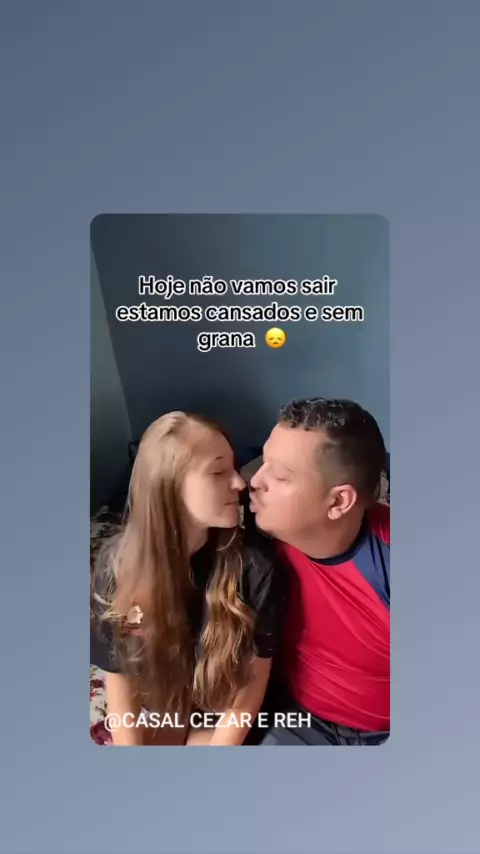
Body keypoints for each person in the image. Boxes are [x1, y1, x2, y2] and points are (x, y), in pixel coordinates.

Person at [90, 412, 283, 746]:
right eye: (218, 472)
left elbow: (251, 684)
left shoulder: (254, 568)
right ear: (170, 486)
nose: (240, 483)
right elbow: (119, 675)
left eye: (234, 469)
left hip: (222, 706)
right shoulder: (115, 568)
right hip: (163, 700)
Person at [246, 398, 390, 746]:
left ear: (338, 502)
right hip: (292, 718)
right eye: (263, 462)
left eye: (281, 475)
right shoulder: (253, 532)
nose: (254, 480)